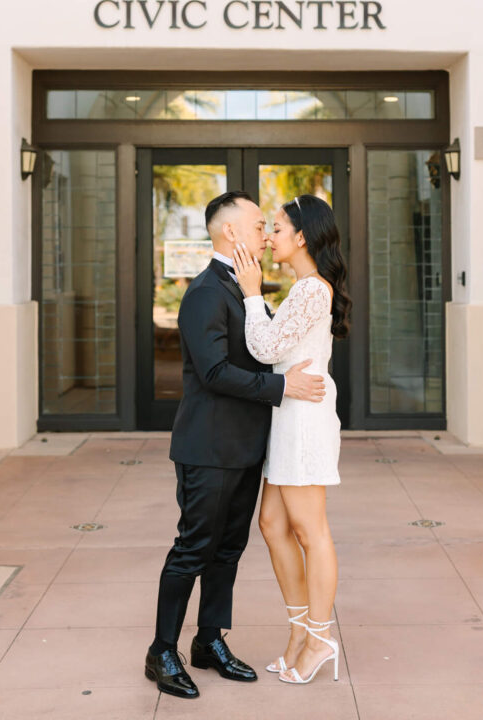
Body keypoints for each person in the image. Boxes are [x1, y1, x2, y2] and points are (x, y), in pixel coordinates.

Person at [145, 190, 326, 700]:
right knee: (193, 550)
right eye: (258, 225)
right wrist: (283, 388)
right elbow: (215, 372)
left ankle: (208, 641)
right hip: (208, 447)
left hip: (246, 446)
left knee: (228, 551)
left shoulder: (244, 285)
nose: (266, 234)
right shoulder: (205, 291)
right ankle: (161, 650)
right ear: (231, 232)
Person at [232, 193, 351, 686]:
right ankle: (300, 632)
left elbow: (263, 349)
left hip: (303, 421)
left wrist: (252, 293)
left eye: (276, 228)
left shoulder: (311, 290)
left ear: (302, 236)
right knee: (272, 523)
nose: (269, 237)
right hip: (288, 414)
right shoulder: (304, 288)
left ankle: (320, 638)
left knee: (308, 528)